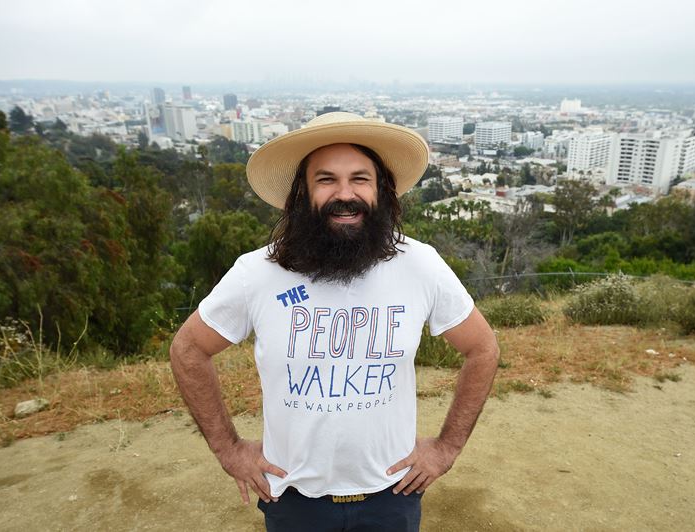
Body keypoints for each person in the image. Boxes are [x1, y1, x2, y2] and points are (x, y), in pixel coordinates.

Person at [170, 112, 499, 531]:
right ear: (302, 195)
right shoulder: (257, 273)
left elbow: (483, 348)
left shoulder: (420, 265)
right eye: (326, 180)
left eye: (360, 179)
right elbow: (188, 348)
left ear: (381, 191)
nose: (345, 193)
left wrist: (446, 447)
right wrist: (228, 449)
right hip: (294, 501)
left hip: (392, 498)